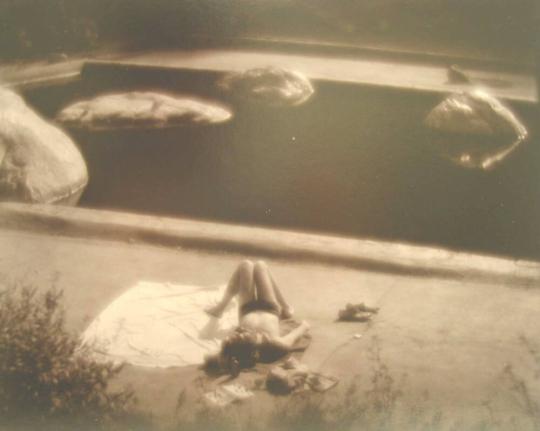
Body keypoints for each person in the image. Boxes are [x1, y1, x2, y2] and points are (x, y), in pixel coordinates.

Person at [204, 260, 310, 376]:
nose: (239, 333)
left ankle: (220, 308)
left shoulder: (235, 345)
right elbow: (297, 333)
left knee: (245, 265)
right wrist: (303, 326)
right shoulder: (272, 343)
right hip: (270, 308)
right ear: (249, 347)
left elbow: (208, 356)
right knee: (260, 265)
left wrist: (224, 356)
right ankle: (285, 307)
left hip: (246, 309)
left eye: (237, 335)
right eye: (241, 337)